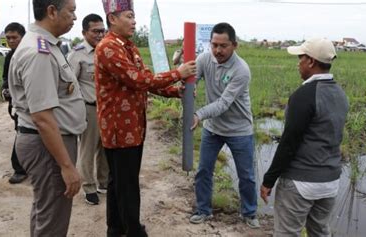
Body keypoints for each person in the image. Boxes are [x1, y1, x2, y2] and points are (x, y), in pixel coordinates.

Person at [96, 1, 196, 236]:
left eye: (134, 17)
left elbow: (146, 78)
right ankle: (133, 230)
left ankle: (116, 227)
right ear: (113, 18)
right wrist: (177, 74)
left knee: (118, 181)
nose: (134, 22)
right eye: (129, 16)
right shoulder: (108, 48)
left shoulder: (129, 47)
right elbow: (136, 80)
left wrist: (175, 90)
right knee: (126, 184)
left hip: (133, 127)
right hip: (120, 129)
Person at [8, 0, 86, 236]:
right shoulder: (38, 52)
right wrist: (66, 166)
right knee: (53, 221)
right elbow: (42, 117)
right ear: (52, 11)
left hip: (49, 143)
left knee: (46, 212)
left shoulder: (47, 46)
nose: (74, 17)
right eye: (71, 11)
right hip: (49, 146)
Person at [260, 38, 349, 237]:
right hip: (330, 182)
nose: (298, 63)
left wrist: (269, 180)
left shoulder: (304, 95)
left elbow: (289, 143)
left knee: (287, 233)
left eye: (300, 58)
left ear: (311, 62)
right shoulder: (340, 93)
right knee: (319, 232)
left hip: (301, 182)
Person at [189, 22, 260, 228]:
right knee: (203, 170)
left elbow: (223, 103)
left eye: (223, 46)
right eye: (214, 45)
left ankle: (249, 213)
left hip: (239, 130)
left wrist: (198, 114)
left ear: (234, 45)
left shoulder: (241, 70)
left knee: (246, 175)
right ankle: (203, 210)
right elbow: (192, 78)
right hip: (213, 128)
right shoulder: (204, 59)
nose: (218, 50)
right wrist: (189, 87)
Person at [67, 13, 109, 205]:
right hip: (89, 109)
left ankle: (104, 182)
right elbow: (69, 85)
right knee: (88, 149)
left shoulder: (108, 50)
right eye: (95, 31)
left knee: (106, 147)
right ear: (84, 32)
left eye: (102, 30)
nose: (100, 35)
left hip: (107, 108)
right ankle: (89, 187)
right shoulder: (77, 54)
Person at [1, 22, 28, 184]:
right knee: (22, 134)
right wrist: (5, 90)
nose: (11, 41)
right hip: (19, 105)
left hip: (36, 102)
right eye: (8, 38)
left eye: (14, 37)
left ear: (23, 37)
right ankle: (19, 169)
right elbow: (5, 78)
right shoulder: (10, 56)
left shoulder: (31, 53)